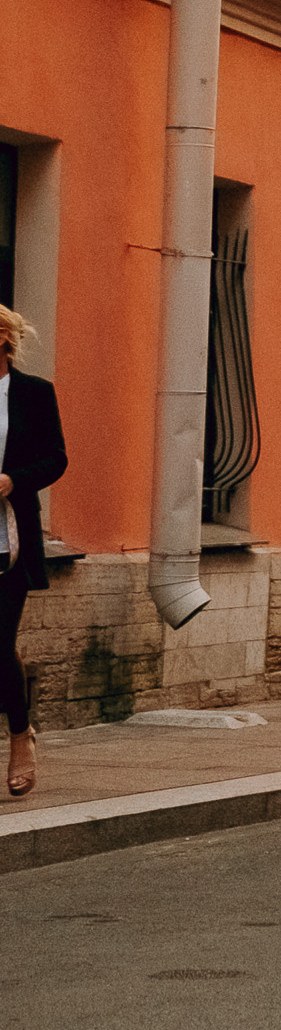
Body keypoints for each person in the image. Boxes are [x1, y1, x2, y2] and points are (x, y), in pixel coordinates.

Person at [0, 304, 68, 798]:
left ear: (3, 340)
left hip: (10, 541)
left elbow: (55, 458)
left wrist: (12, 481)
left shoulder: (33, 393)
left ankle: (20, 737)